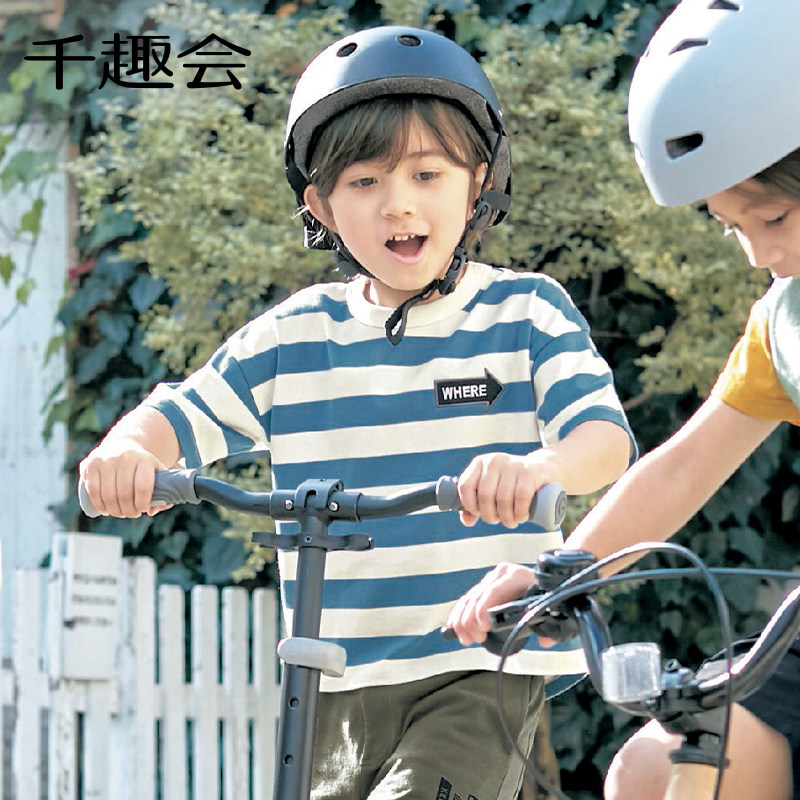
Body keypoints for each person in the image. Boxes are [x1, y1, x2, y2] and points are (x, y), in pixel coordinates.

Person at [79, 25, 634, 800]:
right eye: (364, 181)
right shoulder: (293, 337)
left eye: (427, 174)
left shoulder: (525, 313)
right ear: (323, 206)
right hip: (333, 677)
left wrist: (542, 466)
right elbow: (178, 412)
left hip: (479, 664)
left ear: (477, 183)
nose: (398, 203)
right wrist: (128, 452)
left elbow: (603, 441)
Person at [446, 1, 800, 798]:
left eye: (773, 216)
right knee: (657, 766)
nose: (758, 253)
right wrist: (555, 577)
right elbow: (685, 466)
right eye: (731, 226)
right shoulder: (788, 323)